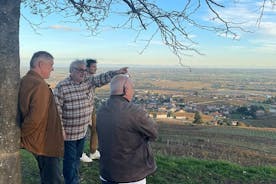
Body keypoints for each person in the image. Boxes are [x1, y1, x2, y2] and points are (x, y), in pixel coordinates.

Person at [54, 59, 128, 184]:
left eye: (84, 70)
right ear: (71, 71)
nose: (83, 73)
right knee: (70, 160)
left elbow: (102, 78)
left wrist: (117, 72)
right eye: (80, 70)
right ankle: (71, 181)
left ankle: (74, 178)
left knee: (76, 158)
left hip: (82, 132)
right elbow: (56, 110)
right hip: (69, 133)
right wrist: (60, 129)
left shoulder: (88, 81)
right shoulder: (62, 87)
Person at [96, 74, 158, 184]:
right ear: (125, 89)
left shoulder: (102, 109)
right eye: (132, 88)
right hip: (130, 175)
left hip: (107, 172)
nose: (132, 92)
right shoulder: (134, 111)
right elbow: (153, 133)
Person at [19, 51, 64, 184]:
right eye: (51, 65)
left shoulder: (26, 81)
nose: (52, 68)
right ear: (40, 64)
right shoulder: (39, 86)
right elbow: (34, 119)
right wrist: (21, 135)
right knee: (52, 180)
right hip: (45, 144)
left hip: (40, 141)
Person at [80, 59, 100, 163]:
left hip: (91, 107)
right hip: (83, 108)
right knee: (82, 130)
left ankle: (93, 151)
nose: (95, 68)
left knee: (94, 128)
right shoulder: (85, 78)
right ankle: (81, 153)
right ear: (86, 68)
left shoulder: (90, 78)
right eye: (93, 66)